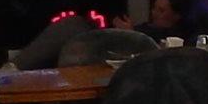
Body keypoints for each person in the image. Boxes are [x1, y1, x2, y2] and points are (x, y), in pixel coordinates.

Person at [10, 10, 154, 70]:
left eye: (162, 10)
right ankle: (13, 68)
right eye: (155, 8)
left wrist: (131, 35)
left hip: (111, 58)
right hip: (94, 44)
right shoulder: (145, 26)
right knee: (72, 25)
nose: (155, 14)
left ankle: (12, 68)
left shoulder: (155, 38)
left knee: (73, 26)